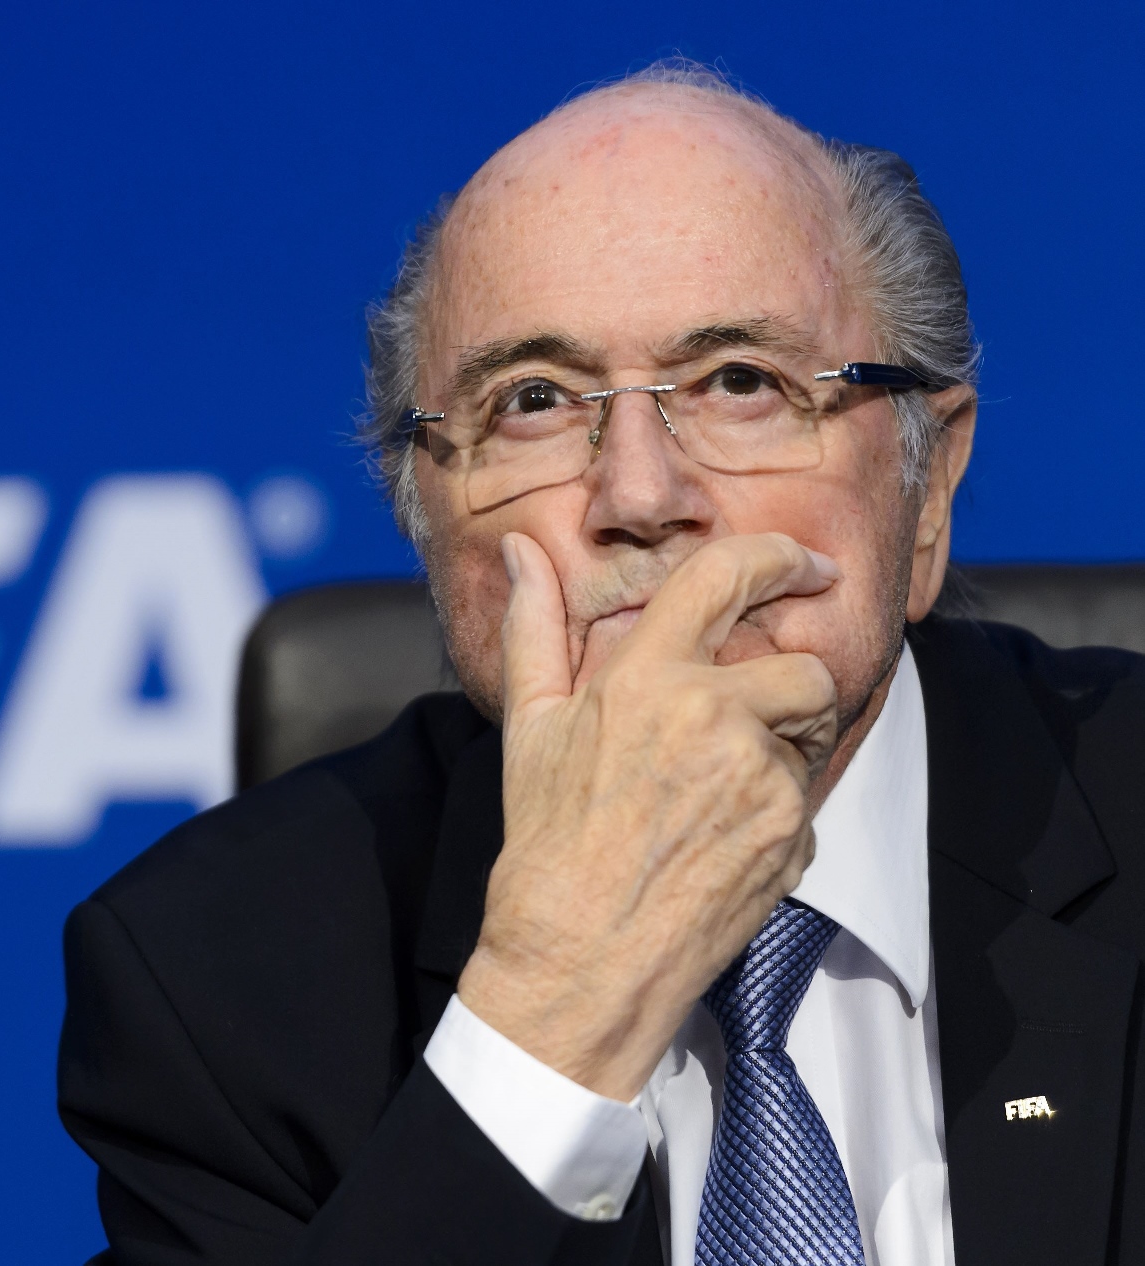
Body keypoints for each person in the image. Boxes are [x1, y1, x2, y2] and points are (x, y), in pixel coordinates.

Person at [57, 61, 1145, 1265]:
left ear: (925, 489)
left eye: (741, 383)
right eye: (531, 401)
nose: (638, 495)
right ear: (424, 513)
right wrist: (558, 1002)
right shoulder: (217, 982)